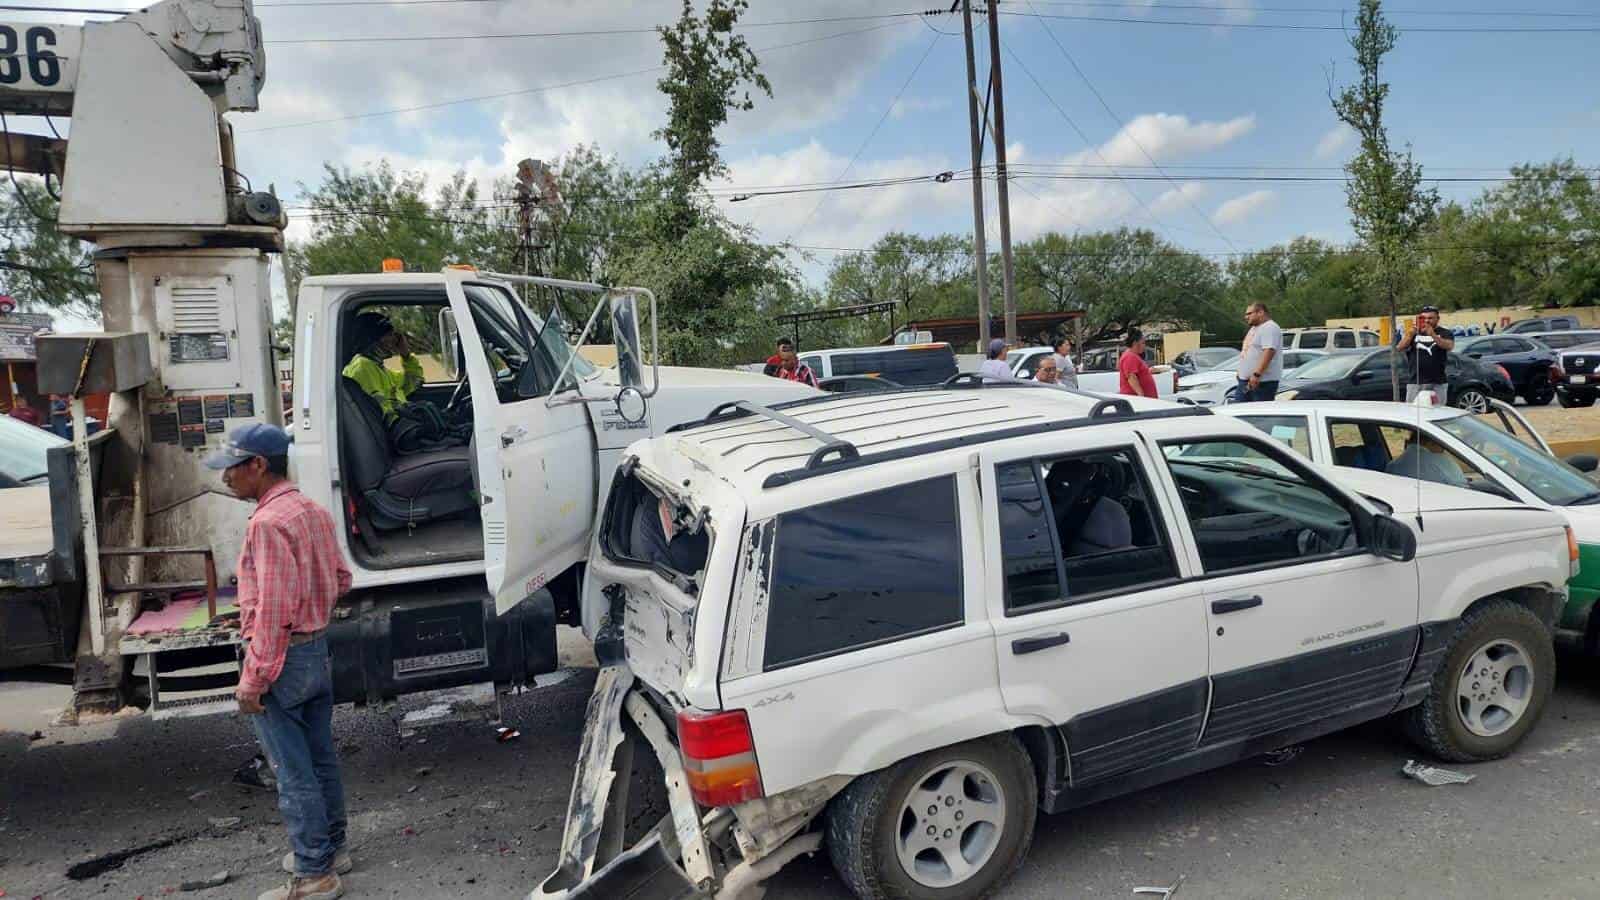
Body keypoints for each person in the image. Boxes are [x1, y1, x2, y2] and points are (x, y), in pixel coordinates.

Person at [205, 424, 353, 900]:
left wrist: (254, 678)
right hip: (314, 649)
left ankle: (315, 874)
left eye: (231, 467)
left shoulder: (267, 524)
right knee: (319, 758)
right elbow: (341, 578)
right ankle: (332, 848)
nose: (225, 477)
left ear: (258, 465)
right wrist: (313, 608)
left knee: (292, 770)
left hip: (283, 659)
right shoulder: (311, 510)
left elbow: (272, 612)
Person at [342, 311, 422, 421]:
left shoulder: (379, 368)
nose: (395, 340)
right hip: (396, 433)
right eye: (389, 335)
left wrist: (406, 355)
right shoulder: (362, 369)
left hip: (404, 427)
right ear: (372, 340)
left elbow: (415, 381)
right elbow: (382, 415)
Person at [1397, 305, 1453, 405]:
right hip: (1416, 381)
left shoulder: (1445, 332)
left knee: (1438, 411)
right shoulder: (1413, 332)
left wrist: (1433, 335)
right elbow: (1400, 348)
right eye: (1424, 318)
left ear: (1438, 319)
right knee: (1412, 411)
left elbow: (1449, 346)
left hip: (1438, 382)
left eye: (1430, 318)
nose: (1427, 321)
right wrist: (1410, 335)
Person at [1236, 301, 1284, 402]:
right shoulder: (1254, 328)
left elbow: (1269, 351)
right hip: (1246, 381)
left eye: (1249, 313)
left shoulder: (1270, 327)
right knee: (1240, 412)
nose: (1246, 317)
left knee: (1258, 414)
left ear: (1260, 312)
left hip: (1262, 382)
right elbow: (1249, 350)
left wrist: (1257, 374)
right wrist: (1241, 371)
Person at [1387, 433, 1468, 488]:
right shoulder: (1441, 461)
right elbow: (1463, 487)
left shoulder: (1391, 466)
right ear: (1430, 443)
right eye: (1442, 445)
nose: (1444, 449)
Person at [1118, 329, 1158, 398]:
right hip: (1138, 400)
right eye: (1143, 343)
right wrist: (1141, 396)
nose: (1144, 346)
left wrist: (1148, 371)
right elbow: (1131, 377)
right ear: (1135, 343)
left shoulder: (1134, 356)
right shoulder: (1130, 356)